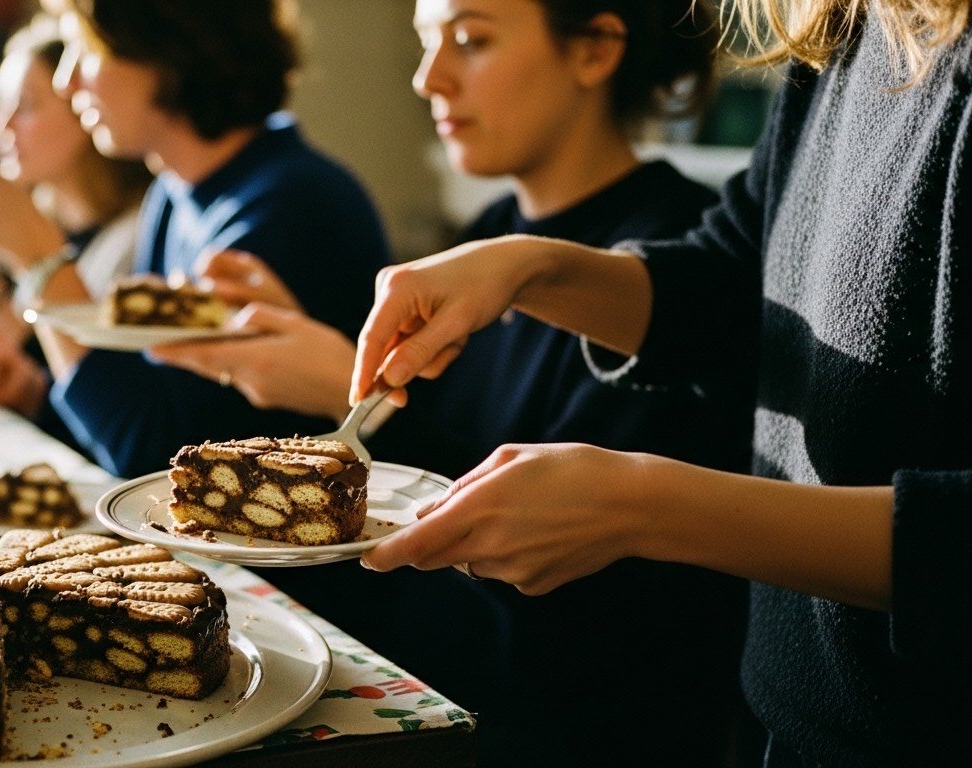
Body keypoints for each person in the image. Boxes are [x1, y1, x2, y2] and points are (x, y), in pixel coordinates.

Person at [347, 1, 972, 765]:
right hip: (788, 721)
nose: (429, 77)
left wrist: (648, 507)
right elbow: (732, 289)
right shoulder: (846, 32)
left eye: (472, 40)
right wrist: (531, 266)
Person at [149, 1, 749, 764]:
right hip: (421, 687)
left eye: (469, 40)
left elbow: (577, 613)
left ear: (595, 51)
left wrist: (347, 397)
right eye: (427, 44)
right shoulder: (487, 236)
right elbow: (439, 449)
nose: (428, 78)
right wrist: (325, 363)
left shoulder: (682, 285)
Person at [0, 0, 389, 477]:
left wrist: (37, 256)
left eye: (86, 48)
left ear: (167, 53)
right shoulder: (176, 191)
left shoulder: (292, 205)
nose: (67, 80)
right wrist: (31, 393)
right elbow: (146, 400)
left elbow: (160, 457)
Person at [0, 16, 152, 438]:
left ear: (83, 106)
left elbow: (125, 427)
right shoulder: (48, 225)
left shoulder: (133, 242)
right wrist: (22, 386)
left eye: (22, 106)